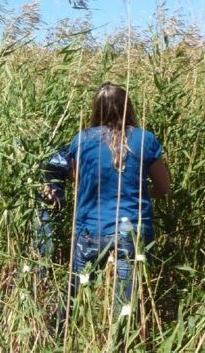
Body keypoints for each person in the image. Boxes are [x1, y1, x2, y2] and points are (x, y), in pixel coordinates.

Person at [65, 82, 170, 315]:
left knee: (74, 302)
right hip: (130, 231)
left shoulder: (82, 140)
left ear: (96, 109)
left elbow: (78, 181)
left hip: (90, 230)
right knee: (125, 310)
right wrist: (138, 194)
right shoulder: (145, 140)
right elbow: (163, 188)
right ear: (128, 107)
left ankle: (61, 337)